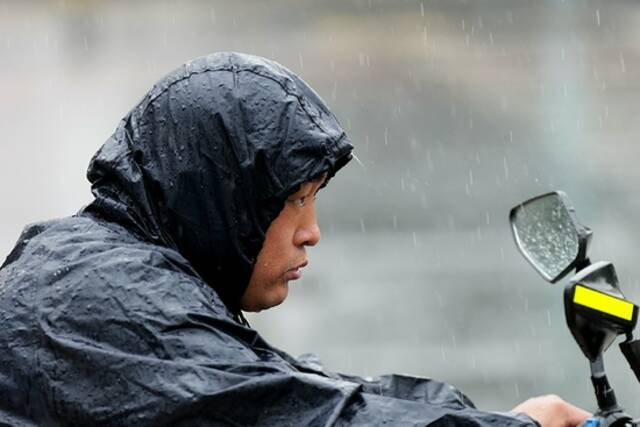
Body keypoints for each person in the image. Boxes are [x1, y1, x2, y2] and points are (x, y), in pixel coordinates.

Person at [0, 52, 589, 426]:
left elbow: (289, 385)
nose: (311, 233)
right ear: (221, 196)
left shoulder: (112, 269)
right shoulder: (108, 297)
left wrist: (489, 417)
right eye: (293, 200)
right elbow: (288, 415)